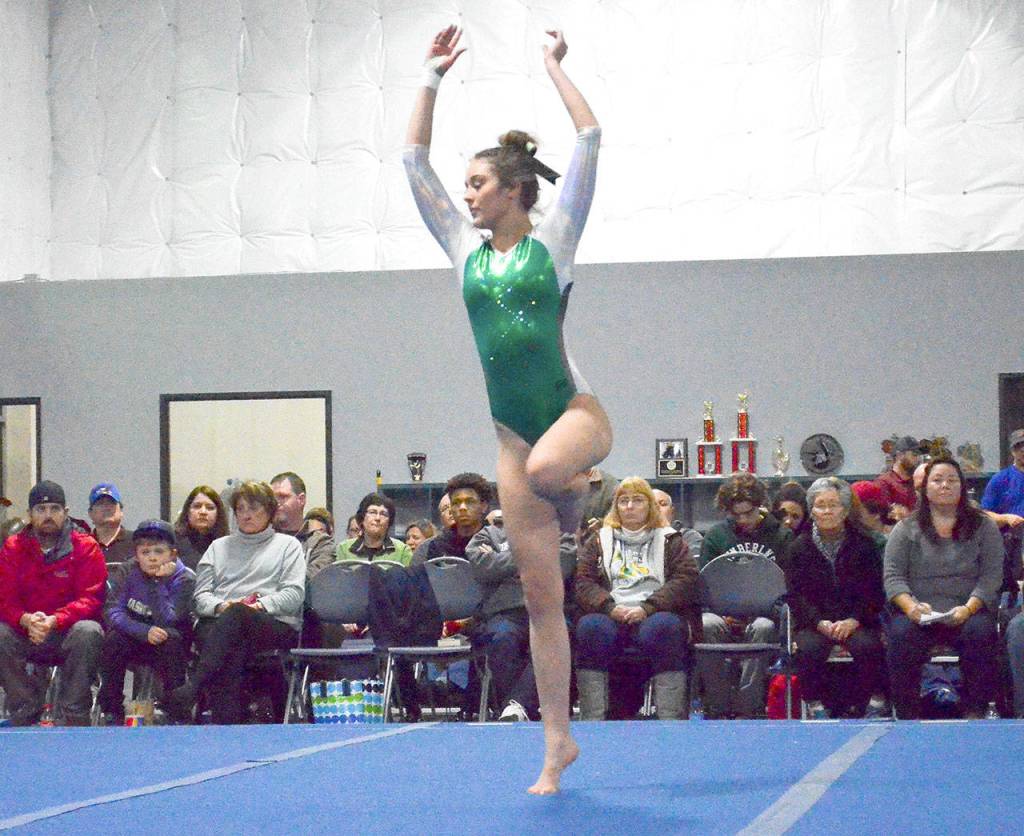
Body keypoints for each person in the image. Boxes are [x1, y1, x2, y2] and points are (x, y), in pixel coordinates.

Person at [405, 25, 610, 793]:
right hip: (511, 445)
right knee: (539, 600)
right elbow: (411, 163)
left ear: (516, 190)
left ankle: (585, 487)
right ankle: (557, 742)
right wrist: (430, 76)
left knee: (559, 463)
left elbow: (589, 137)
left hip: (575, 417)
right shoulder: (464, 250)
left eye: (480, 184)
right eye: (467, 186)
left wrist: (553, 66)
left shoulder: (554, 242)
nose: (468, 194)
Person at [166, 480, 305, 724]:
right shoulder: (217, 548)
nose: (246, 514)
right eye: (240, 509)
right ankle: (229, 722)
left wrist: (256, 606)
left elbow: (293, 595)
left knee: (236, 618)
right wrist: (221, 606)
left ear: (270, 512)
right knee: (229, 641)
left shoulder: (288, 546)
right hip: (224, 622)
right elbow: (200, 598)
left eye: (254, 508)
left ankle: (194, 688)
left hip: (270, 622)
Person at [883, 456, 1003, 719]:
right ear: (925, 488)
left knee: (981, 633)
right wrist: (912, 607)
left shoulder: (985, 526)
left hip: (968, 611)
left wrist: (969, 608)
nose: (945, 485)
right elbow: (893, 578)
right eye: (937, 480)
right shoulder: (905, 529)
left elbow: (991, 577)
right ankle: (907, 714)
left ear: (962, 487)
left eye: (952, 480)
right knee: (900, 634)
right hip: (920, 614)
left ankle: (975, 711)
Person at [573, 478, 700, 721]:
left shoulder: (671, 539)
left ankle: (670, 718)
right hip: (611, 611)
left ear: (650, 506)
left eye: (638, 500)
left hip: (654, 612)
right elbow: (583, 582)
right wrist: (609, 607)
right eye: (624, 501)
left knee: (666, 628)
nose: (630, 506)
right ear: (616, 507)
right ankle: (592, 718)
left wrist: (648, 607)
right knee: (590, 628)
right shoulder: (599, 539)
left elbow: (685, 579)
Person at [0, 481, 107, 725]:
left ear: (66, 512)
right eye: (41, 509)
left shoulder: (86, 547)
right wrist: (26, 620)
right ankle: (25, 707)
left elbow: (91, 599)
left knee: (89, 631)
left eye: (55, 509)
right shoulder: (13, 547)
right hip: (26, 631)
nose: (48, 515)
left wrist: (55, 620)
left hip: (66, 632)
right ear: (29, 515)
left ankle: (74, 712)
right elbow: (4, 599)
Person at [783, 478, 887, 719]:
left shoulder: (865, 545)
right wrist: (819, 622)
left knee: (868, 646)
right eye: (820, 505)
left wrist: (854, 620)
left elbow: (874, 591)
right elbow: (795, 595)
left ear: (846, 509)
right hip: (815, 622)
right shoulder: (798, 547)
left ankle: (874, 701)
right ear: (812, 510)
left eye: (834, 504)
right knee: (809, 648)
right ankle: (814, 704)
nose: (827, 511)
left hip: (857, 620)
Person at [699, 473, 792, 718]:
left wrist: (760, 612)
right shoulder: (716, 536)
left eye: (748, 513)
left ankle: (749, 707)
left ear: (760, 505)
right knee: (706, 625)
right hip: (722, 614)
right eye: (735, 515)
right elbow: (704, 584)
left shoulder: (781, 536)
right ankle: (717, 706)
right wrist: (719, 612)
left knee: (763, 628)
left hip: (764, 614)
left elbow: (787, 587)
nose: (743, 520)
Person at [466, 519, 577, 722]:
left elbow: (563, 565)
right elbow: (481, 568)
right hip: (504, 612)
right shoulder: (488, 534)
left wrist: (502, 560)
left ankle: (516, 706)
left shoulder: (561, 533)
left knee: (554, 639)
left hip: (547, 612)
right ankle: (520, 708)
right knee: (501, 639)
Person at [97, 520, 195, 725]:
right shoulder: (127, 571)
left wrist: (157, 583)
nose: (151, 558)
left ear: (172, 555)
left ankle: (175, 710)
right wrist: (143, 631)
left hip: (169, 640)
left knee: (172, 641)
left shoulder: (184, 578)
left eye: (159, 552)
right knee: (113, 640)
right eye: (145, 552)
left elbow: (170, 618)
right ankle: (111, 709)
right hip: (136, 636)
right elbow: (113, 610)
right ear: (136, 554)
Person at [413, 474, 493, 563]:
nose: (462, 507)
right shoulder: (435, 546)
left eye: (470, 502)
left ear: (484, 506)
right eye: (456, 503)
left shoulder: (498, 541)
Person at [271, 472, 336, 579]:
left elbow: (314, 579)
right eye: (273, 498)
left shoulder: (320, 542)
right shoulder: (263, 537)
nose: (276, 503)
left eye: (283, 497)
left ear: (301, 500)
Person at [335, 493, 413, 565]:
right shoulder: (344, 549)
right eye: (372, 512)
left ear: (389, 521)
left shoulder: (402, 551)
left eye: (383, 514)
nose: (377, 518)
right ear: (362, 518)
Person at [173, 485, 229, 571]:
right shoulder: (172, 542)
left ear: (218, 514)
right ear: (187, 511)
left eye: (210, 508)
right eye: (197, 506)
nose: (203, 512)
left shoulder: (226, 545)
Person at [874, 436, 921, 522]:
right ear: (899, 455)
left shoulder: (917, 482)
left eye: (918, 455)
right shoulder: (883, 482)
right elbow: (885, 517)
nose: (917, 459)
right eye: (914, 454)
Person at [87, 482, 134, 564]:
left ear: (121, 511)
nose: (106, 508)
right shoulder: (82, 545)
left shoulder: (137, 542)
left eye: (111, 503)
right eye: (100, 503)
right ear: (90, 513)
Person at [652, 488, 703, 556]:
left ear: (672, 512)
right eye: (651, 505)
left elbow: (693, 564)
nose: (657, 508)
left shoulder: (689, 537)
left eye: (663, 504)